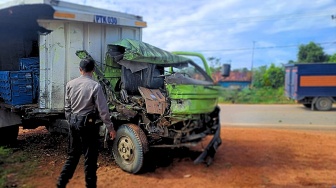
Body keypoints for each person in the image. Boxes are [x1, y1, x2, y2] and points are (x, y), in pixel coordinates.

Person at [57, 58, 116, 188]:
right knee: (90, 158)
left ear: (80, 70)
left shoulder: (70, 84)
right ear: (93, 70)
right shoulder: (95, 86)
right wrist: (110, 128)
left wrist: (71, 120)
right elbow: (103, 110)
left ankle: (61, 183)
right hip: (88, 125)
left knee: (73, 155)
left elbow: (67, 107)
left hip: (74, 123)